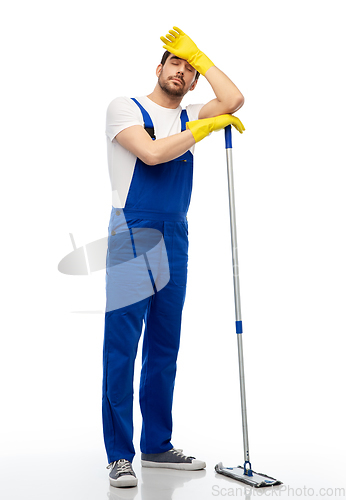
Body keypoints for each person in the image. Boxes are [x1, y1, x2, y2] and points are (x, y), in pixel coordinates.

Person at [103, 26, 245, 488]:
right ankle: (120, 455)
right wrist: (204, 128)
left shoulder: (189, 112)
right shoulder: (126, 108)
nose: (181, 72)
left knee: (165, 345)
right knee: (123, 349)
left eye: (189, 69)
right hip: (133, 231)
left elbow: (235, 99)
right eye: (175, 63)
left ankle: (157, 445)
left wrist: (201, 57)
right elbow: (150, 154)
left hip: (175, 235)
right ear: (159, 68)